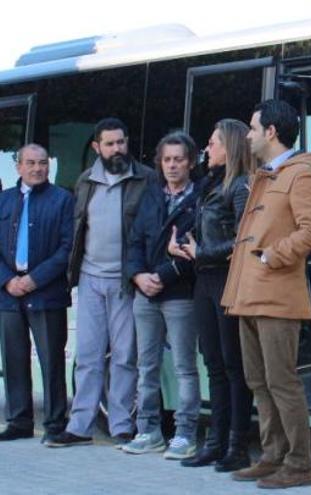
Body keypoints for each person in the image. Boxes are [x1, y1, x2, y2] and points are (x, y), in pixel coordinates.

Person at [222, 99, 311, 489]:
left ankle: (300, 465)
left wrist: (271, 256)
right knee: (258, 381)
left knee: (282, 382)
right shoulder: (267, 174)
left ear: (271, 132)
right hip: (248, 295)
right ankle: (273, 456)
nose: (247, 135)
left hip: (277, 295)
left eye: (252, 128)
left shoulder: (301, 174)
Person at [48, 118, 156, 448]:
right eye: (109, 144)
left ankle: (122, 425)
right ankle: (80, 425)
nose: (116, 149)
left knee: (124, 356)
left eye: (121, 142)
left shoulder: (145, 179)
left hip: (126, 281)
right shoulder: (85, 181)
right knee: (89, 355)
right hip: (90, 279)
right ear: (97, 147)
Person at [169, 119, 254, 470]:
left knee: (234, 366)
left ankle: (238, 446)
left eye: (213, 142)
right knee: (214, 365)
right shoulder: (209, 185)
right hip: (204, 281)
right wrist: (184, 247)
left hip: (227, 281)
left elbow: (245, 239)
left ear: (230, 147)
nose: (207, 148)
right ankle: (215, 442)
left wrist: (201, 252)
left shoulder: (241, 185)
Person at [121, 131, 200, 460]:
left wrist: (160, 276)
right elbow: (135, 242)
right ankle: (148, 431)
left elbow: (194, 252)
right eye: (166, 160)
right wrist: (138, 276)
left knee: (184, 367)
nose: (172, 165)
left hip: (180, 293)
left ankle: (185, 434)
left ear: (191, 162)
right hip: (145, 294)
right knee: (146, 366)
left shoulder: (200, 199)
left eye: (178, 159)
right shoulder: (150, 197)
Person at [0, 144, 74, 442]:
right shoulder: (3, 200)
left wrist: (34, 279)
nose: (37, 168)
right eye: (30, 163)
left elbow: (68, 248)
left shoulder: (62, 200)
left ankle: (55, 422)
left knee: (51, 358)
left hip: (47, 291)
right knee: (14, 358)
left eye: (42, 163)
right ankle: (19, 421)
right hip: (8, 293)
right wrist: (7, 281)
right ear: (18, 166)